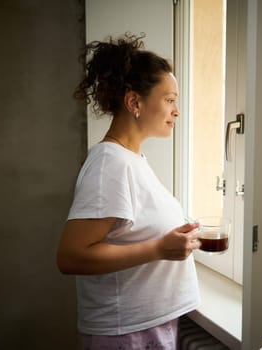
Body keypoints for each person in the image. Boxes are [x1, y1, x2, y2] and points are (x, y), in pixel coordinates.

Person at [56, 33, 201, 350]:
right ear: (134, 102)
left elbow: (130, 231)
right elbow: (71, 257)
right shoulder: (111, 163)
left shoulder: (130, 160)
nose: (177, 111)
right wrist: (160, 249)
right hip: (126, 334)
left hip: (144, 326)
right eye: (170, 100)